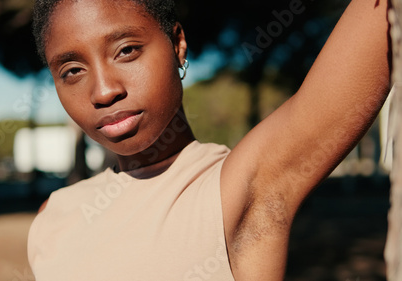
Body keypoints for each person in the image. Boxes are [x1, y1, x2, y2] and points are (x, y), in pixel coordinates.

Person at [27, 0, 391, 280]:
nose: (104, 91)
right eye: (72, 71)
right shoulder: (53, 216)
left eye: (126, 51)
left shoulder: (239, 188)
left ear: (178, 44)